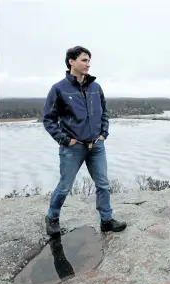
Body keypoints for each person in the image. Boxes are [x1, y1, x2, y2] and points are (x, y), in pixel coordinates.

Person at [43, 46, 127, 236]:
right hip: (73, 148)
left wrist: (103, 134)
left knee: (103, 185)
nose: (88, 64)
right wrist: (65, 139)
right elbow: (48, 119)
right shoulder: (59, 89)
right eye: (84, 60)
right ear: (71, 62)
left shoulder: (96, 88)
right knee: (65, 186)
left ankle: (106, 220)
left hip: (96, 145)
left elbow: (104, 112)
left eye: (89, 60)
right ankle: (52, 217)